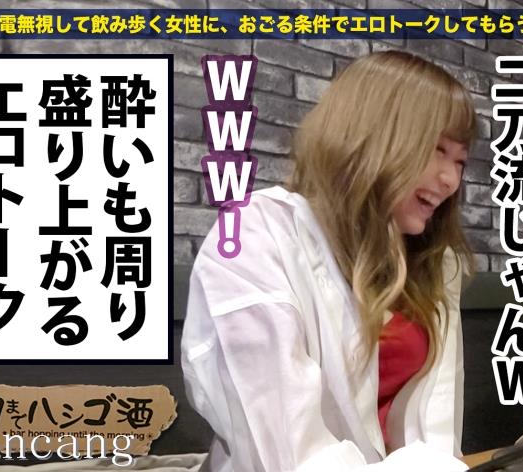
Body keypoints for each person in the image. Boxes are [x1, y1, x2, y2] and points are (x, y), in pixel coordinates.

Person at [181, 51, 476, 471]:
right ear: (370, 136)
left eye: (460, 160)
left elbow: (438, 425)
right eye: (437, 149)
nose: (450, 179)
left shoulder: (434, 261)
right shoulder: (256, 236)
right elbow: (287, 454)